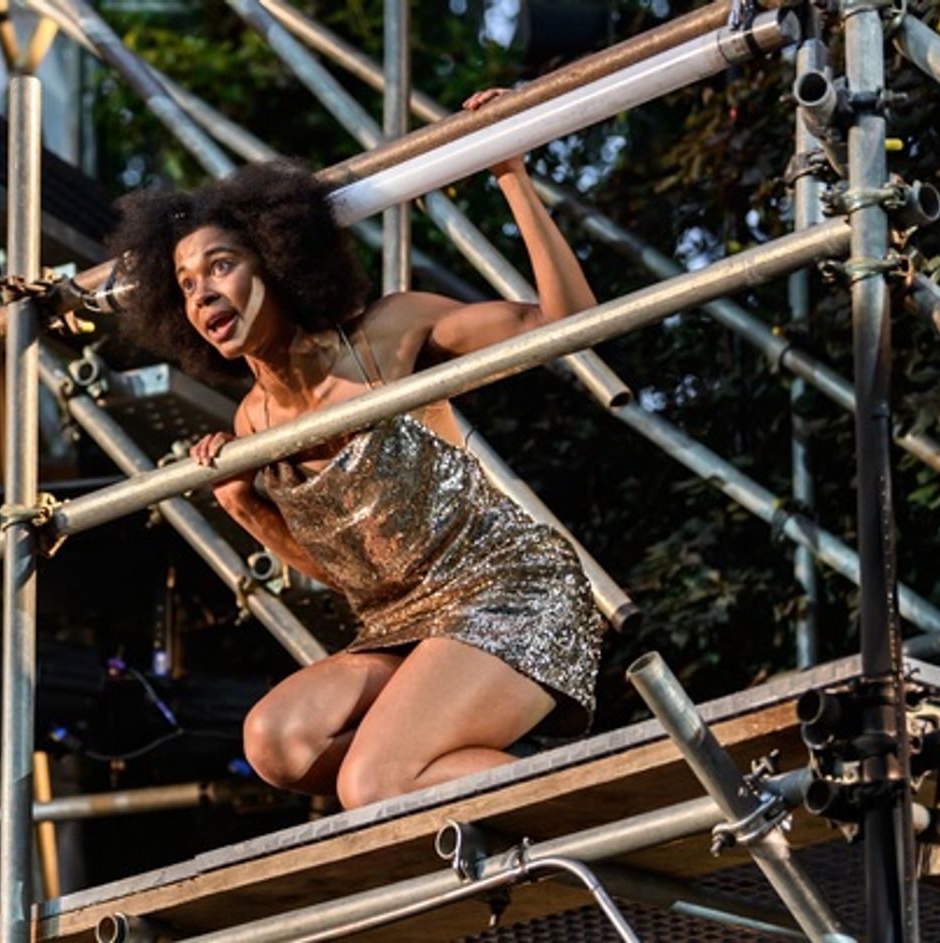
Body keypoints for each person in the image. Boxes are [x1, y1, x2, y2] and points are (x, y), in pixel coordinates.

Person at [106, 90, 604, 809]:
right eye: (186, 285)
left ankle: (596, 802)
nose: (203, 292)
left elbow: (569, 322)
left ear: (276, 263)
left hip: (508, 591)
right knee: (276, 741)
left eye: (220, 266)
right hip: (402, 622)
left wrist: (509, 174)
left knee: (369, 782)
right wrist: (246, 510)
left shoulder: (384, 336)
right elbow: (350, 578)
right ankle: (480, 774)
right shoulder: (253, 425)